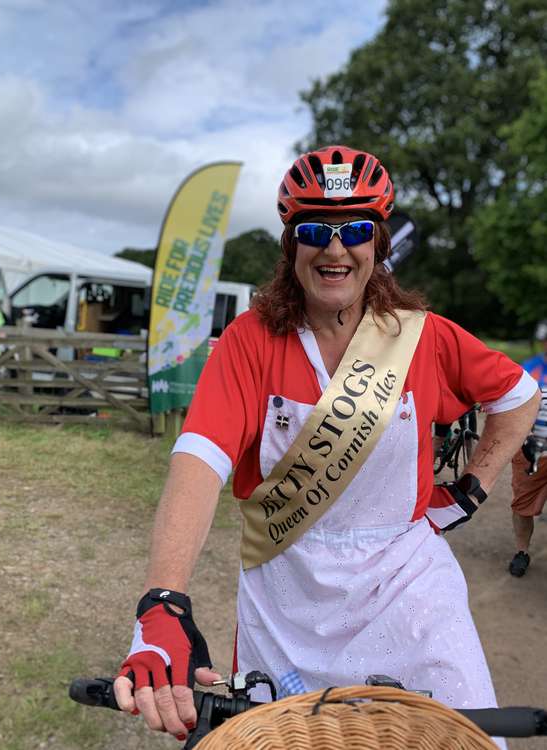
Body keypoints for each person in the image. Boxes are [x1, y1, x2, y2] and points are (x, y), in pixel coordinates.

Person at [113, 146, 540, 744]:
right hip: (287, 590)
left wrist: (473, 487)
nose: (335, 249)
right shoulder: (250, 339)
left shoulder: (424, 337)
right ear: (292, 246)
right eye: (315, 230)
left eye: (355, 230)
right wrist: (164, 601)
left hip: (406, 581)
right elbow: (199, 458)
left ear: (379, 242)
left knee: (464, 736)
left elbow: (519, 396)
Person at [508, 319, 547, 577]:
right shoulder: (530, 369)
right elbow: (514, 406)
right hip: (533, 451)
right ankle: (522, 551)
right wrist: (526, 437)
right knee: (523, 505)